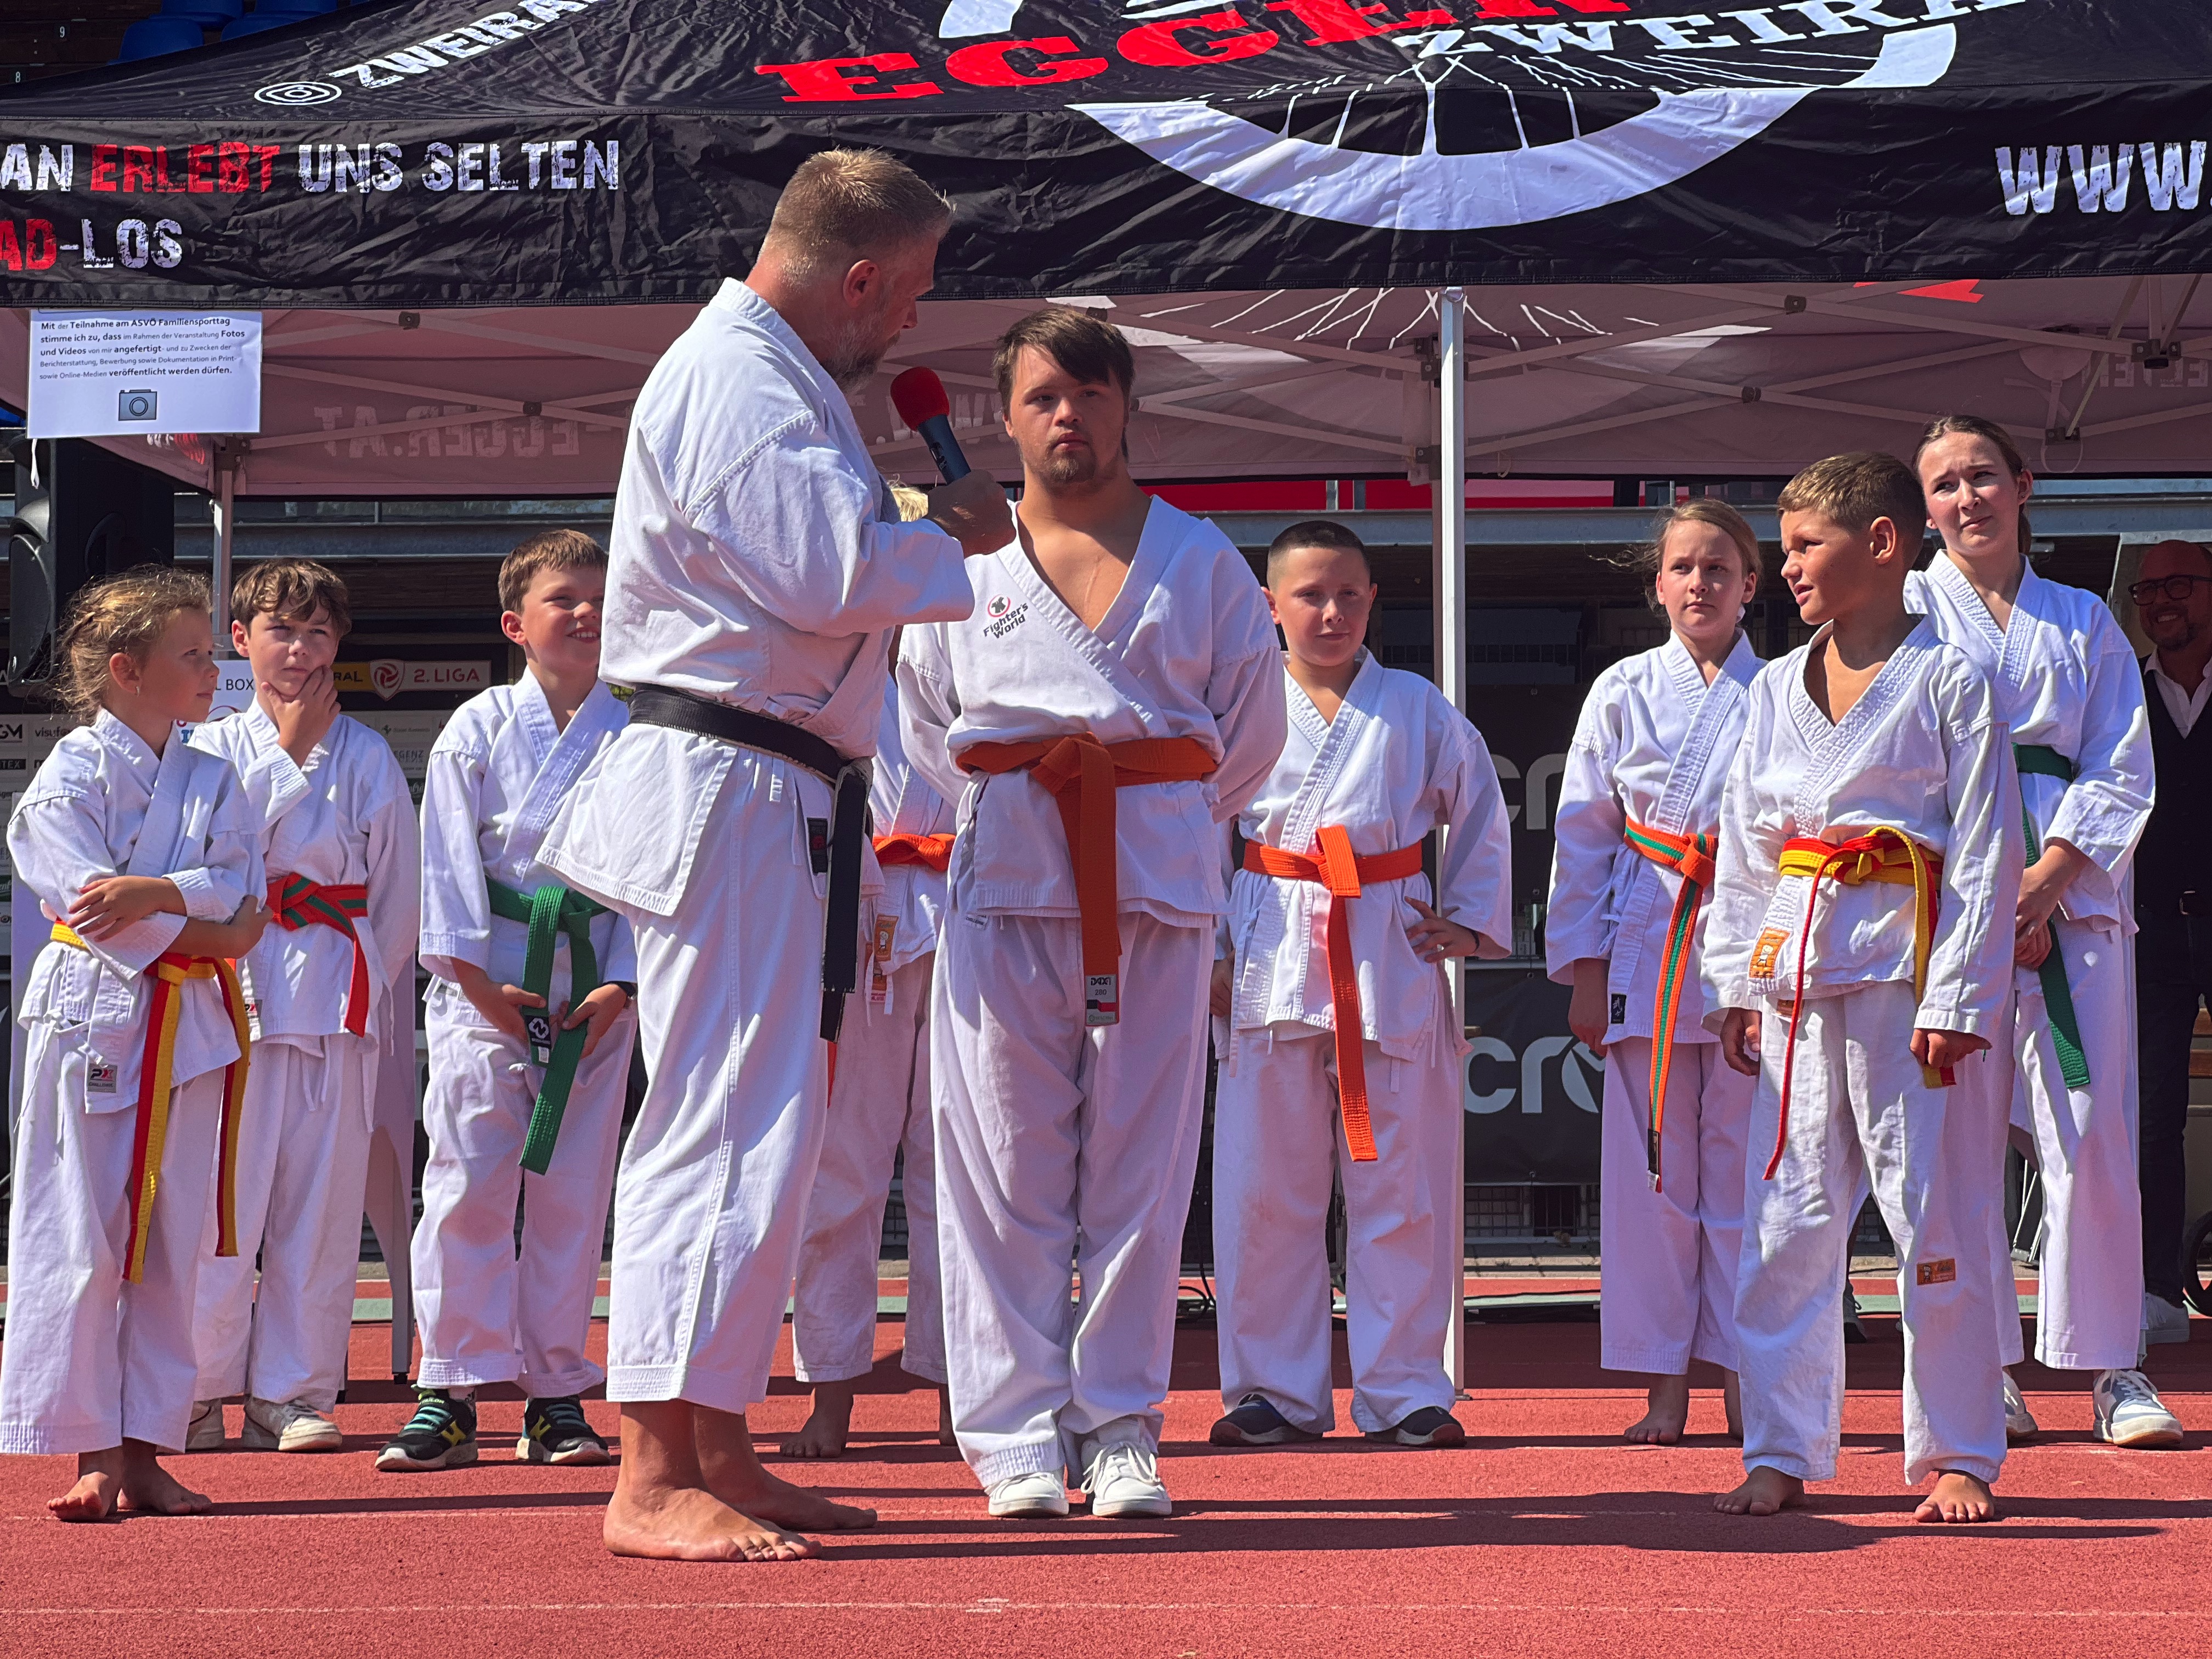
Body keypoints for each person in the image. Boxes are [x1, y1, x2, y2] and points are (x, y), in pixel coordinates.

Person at [536, 148, 1005, 1562]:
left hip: (774, 784)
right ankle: (647, 1474)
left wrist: (914, 531)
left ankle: (719, 1441)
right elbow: (827, 574)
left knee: (770, 1131)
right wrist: (948, 534)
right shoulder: (738, 377)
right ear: (856, 279)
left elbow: (814, 559)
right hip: (732, 779)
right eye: (909, 295)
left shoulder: (775, 377)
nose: (912, 323)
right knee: (718, 1121)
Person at [900, 304, 1286, 1521]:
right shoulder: (960, 560)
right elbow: (922, 730)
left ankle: (1119, 1426)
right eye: (1044, 397)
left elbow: (1252, 738)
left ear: (1128, 408)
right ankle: (1015, 1436)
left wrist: (1152, 812)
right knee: (1002, 1167)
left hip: (1158, 889)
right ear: (1006, 417)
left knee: (1142, 1169)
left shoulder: (1204, 561)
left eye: (1091, 393)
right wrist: (1029, 803)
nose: (1069, 416)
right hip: (1007, 883)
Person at [1703, 452, 2019, 1524]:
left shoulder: (1951, 681)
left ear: (1882, 543)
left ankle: (1960, 1449)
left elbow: (1986, 854)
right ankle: (1781, 1447)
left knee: (1935, 1219)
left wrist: (1959, 1001)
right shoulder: (1772, 689)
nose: (1787, 566)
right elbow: (1746, 849)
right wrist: (1736, 985)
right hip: (1795, 980)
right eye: (1784, 547)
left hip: (1904, 980)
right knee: (1787, 1223)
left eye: (1805, 545)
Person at [1206, 520, 1510, 1452]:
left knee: (1402, 1189)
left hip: (1388, 952)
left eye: (1348, 594)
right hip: (1268, 957)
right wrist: (1210, 948)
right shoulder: (1238, 703)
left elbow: (1481, 806)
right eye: (1310, 595)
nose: (1331, 612)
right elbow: (1192, 824)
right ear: (1270, 606)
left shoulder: (1414, 707)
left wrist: (1470, 919)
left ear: (1374, 600)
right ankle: (1273, 1392)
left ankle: (1405, 1388)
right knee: (1265, 1193)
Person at [1909, 416, 2182, 1450]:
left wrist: (2048, 882)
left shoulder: (2083, 618)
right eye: (1945, 485)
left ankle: (2114, 1366)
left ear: (2023, 486)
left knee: (2093, 1131)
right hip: (1949, 904)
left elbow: (2121, 761)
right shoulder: (1907, 613)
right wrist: (1988, 897)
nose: (1966, 498)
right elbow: (1891, 764)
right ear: (1923, 510)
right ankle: (1982, 1369)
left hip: (2075, 901)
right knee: (1960, 1146)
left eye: (1983, 476)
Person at [1, 568, 267, 1519]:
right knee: (82, 1236)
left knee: (172, 1241)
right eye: (192, 654)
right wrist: (211, 930)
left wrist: (156, 891)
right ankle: (94, 1450)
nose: (213, 670)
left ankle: (149, 1449)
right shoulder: (72, 773)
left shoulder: (215, 775)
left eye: (211, 651)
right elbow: (88, 904)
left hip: (188, 1029)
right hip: (93, 1020)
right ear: (127, 670)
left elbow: (243, 891)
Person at [378, 531, 637, 1473]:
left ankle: (555, 1394)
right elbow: (445, 866)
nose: (587, 613)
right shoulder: (477, 728)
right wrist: (485, 991)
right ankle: (448, 1392)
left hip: (595, 990)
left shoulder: (639, 729)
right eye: (564, 598)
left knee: (572, 1196)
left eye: (601, 597)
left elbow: (659, 866)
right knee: (467, 1184)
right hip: (485, 982)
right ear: (514, 625)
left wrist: (623, 982)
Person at [187, 561, 419, 1454]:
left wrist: (363, 982)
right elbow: (213, 863)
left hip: (332, 1002)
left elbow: (397, 897)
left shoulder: (366, 755)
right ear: (240, 640)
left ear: (339, 645)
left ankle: (289, 1393)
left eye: (318, 633)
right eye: (281, 630)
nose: (299, 649)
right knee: (219, 1208)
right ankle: (196, 1390)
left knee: (319, 1212)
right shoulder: (209, 748)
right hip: (230, 1000)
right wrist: (287, 752)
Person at [1548, 500, 1762, 1445]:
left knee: (1746, 1180)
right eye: (1683, 568)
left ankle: (1749, 1381)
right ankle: (1664, 1386)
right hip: (1649, 939)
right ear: (1658, 585)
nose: (1700, 583)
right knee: (1654, 1184)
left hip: (1748, 943)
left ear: (1751, 584)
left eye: (1718, 568)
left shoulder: (1785, 687)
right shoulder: (1622, 689)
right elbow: (1582, 836)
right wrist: (1586, 970)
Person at [780, 680, 956, 1460]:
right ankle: (831, 1391)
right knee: (842, 1168)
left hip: (965, 913)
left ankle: (961, 1390)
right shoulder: (834, 671)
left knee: (959, 1173)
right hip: (855, 920)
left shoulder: (972, 658)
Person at [2132, 538, 2212, 1346]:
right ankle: (2158, 1290)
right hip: (2150, 927)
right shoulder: (2125, 693)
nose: (2160, 601)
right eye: (2147, 591)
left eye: (2179, 585)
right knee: (2150, 1114)